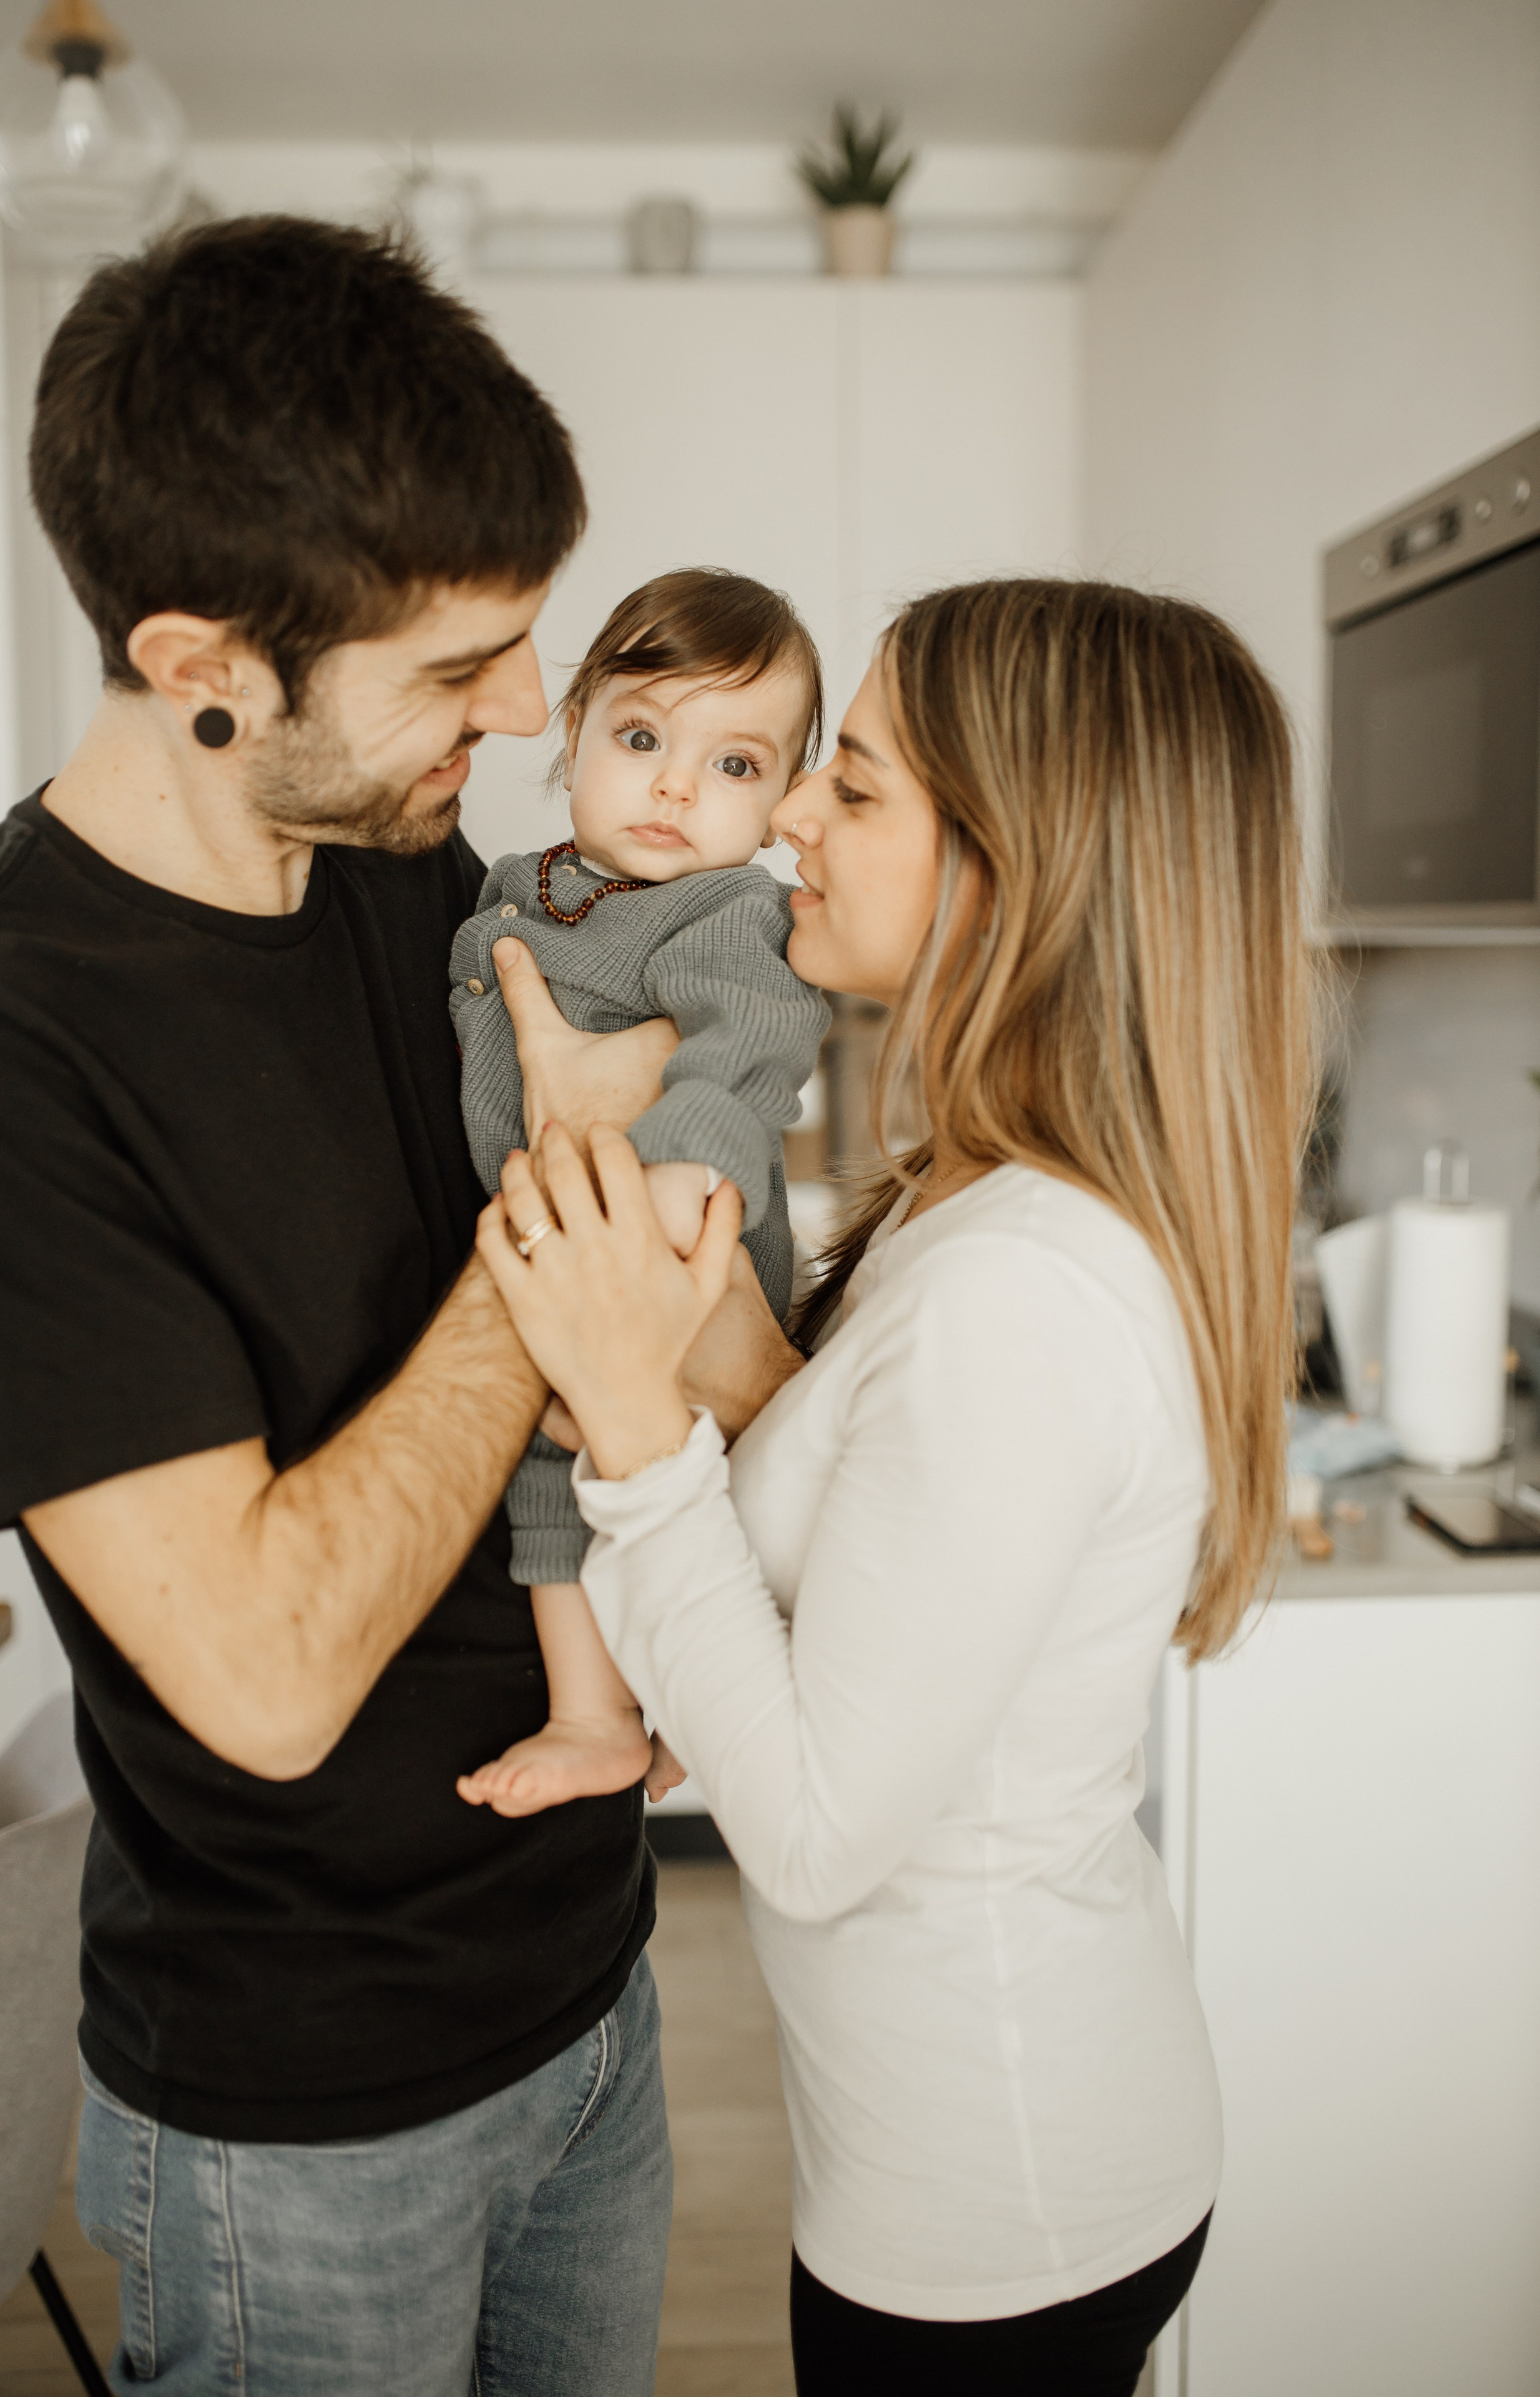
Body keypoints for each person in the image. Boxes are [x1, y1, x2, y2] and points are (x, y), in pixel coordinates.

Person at [0, 215, 797, 2397]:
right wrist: (562, 1201)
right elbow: (267, 1680)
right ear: (202, 656)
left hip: (594, 1997)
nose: (521, 716)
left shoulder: (422, 871)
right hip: (299, 2140)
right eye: (456, 670)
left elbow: (695, 1336)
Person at [475, 577, 1318, 2395]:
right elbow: (857, 1530)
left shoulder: (1020, 1284)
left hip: (994, 2209)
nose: (784, 816)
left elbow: (813, 1833)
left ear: (1010, 868)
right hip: (947, 2158)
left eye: (849, 786)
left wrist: (633, 1430)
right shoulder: (974, 1198)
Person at [450, 567, 830, 1818]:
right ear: (573, 738)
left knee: (637, 1477)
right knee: (544, 1472)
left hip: (675, 1262)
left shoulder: (726, 910)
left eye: (734, 766)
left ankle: (632, 1709)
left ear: (782, 802)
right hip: (554, 1265)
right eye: (641, 737)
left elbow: (754, 1040)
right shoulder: (513, 886)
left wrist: (680, 1173)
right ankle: (595, 1714)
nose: (676, 785)